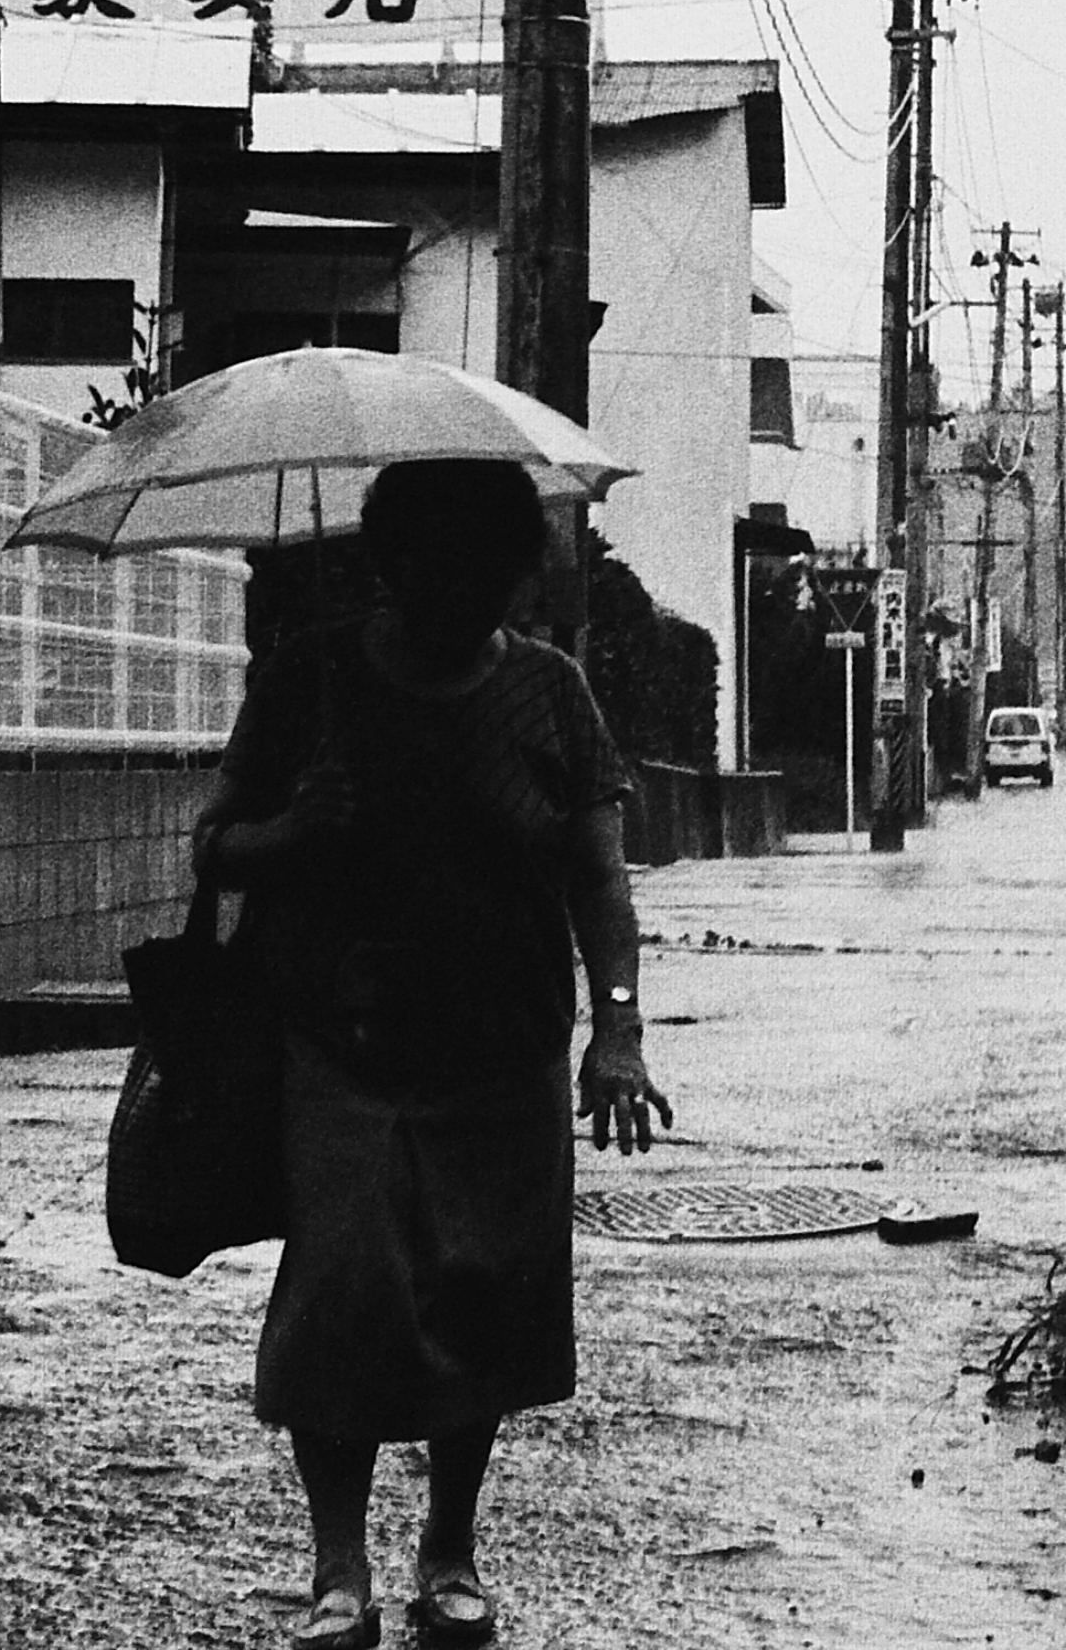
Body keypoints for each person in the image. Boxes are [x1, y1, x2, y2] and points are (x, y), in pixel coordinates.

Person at [198, 458, 672, 1649]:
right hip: (344, 1046)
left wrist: (617, 1027)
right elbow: (215, 846)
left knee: (483, 1298)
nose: (459, 596)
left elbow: (598, 876)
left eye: (486, 574)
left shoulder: (553, 692)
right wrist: (295, 828)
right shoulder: (308, 678)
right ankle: (338, 1565)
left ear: (515, 577)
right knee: (344, 1294)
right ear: (390, 565)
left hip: (504, 1051)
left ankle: (450, 1548)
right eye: (434, 569)